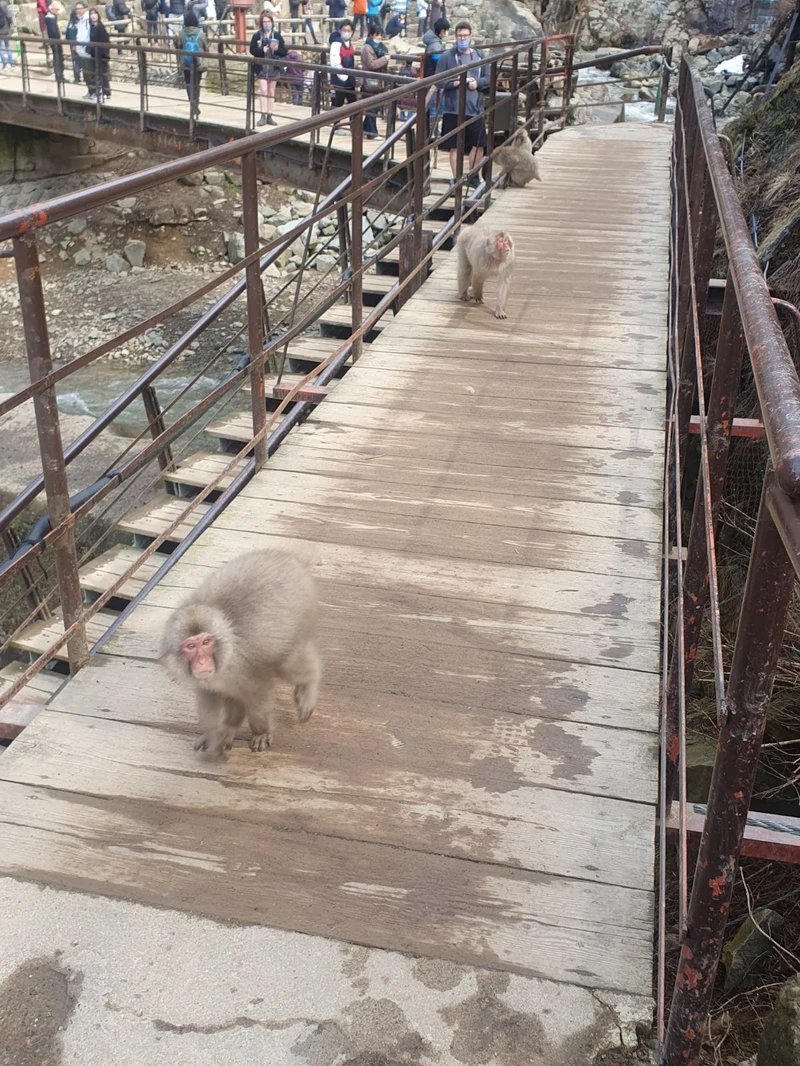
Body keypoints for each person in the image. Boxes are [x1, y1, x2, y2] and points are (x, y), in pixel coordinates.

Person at [435, 21, 488, 189]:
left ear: (471, 36)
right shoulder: (447, 57)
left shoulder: (479, 56)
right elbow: (438, 80)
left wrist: (477, 83)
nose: (462, 39)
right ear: (455, 37)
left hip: (475, 108)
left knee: (480, 144)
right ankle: (457, 178)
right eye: (460, 36)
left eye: (465, 36)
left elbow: (488, 78)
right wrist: (454, 83)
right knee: (454, 147)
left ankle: (473, 176)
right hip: (453, 108)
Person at [249, 11, 286, 126]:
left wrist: (276, 49)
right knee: (263, 90)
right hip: (261, 68)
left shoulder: (277, 35)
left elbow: (284, 51)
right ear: (261, 23)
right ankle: (263, 114)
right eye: (264, 22)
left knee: (271, 91)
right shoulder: (257, 35)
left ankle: (270, 114)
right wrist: (261, 51)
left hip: (273, 67)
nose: (266, 24)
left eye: (268, 21)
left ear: (272, 22)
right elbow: (252, 50)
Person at [176, 7, 205, 117]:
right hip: (198, 63)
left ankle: (192, 104)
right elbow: (205, 46)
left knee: (188, 84)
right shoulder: (201, 33)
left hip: (186, 63)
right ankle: (196, 102)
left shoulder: (181, 34)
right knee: (197, 84)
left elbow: (178, 46)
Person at [360, 22, 388, 139]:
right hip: (369, 81)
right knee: (372, 107)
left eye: (380, 35)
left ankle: (364, 129)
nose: (379, 37)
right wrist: (384, 59)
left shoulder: (379, 47)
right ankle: (372, 133)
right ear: (371, 35)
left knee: (373, 107)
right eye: (377, 35)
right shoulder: (367, 48)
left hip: (377, 81)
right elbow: (371, 64)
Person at [329, 17, 355, 128]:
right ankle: (336, 125)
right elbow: (335, 63)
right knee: (338, 103)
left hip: (349, 79)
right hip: (340, 79)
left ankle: (354, 125)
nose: (347, 33)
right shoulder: (336, 44)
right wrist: (344, 77)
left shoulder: (349, 43)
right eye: (344, 30)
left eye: (349, 31)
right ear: (340, 31)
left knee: (353, 103)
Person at [87, 6, 111, 100]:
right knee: (96, 73)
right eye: (91, 14)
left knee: (103, 73)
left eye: (94, 14)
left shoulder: (100, 27)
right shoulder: (91, 27)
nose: (93, 16)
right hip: (94, 53)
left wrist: (105, 53)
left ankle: (106, 92)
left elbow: (106, 41)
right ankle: (98, 91)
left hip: (102, 54)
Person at [44, 1, 65, 82]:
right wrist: (59, 39)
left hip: (54, 41)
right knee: (57, 57)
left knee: (58, 57)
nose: (58, 11)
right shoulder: (50, 19)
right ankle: (59, 76)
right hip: (55, 41)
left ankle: (59, 75)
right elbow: (54, 32)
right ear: (52, 10)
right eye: (57, 10)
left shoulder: (50, 18)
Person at [65, 5, 82, 81]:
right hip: (78, 44)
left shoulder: (70, 24)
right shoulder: (78, 23)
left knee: (75, 61)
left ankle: (76, 77)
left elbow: (67, 35)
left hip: (72, 44)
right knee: (80, 61)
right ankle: (78, 77)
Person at [0, 0, 14, 71]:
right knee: (7, 46)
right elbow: (9, 16)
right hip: (5, 28)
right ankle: (12, 65)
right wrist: (10, 25)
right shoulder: (4, 4)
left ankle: (4, 66)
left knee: (0, 49)